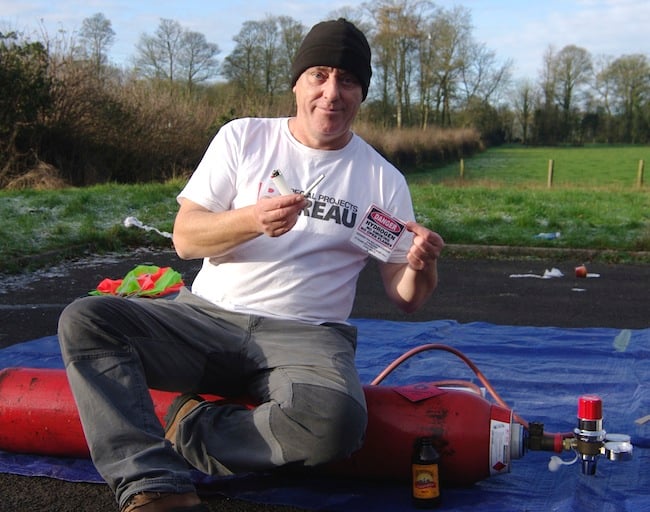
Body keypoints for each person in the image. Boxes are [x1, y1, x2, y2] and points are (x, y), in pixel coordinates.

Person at [58, 18, 444, 512]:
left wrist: (420, 264)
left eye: (347, 80)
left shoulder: (382, 180)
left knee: (338, 423)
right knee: (86, 320)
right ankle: (152, 483)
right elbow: (185, 239)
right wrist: (250, 220)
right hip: (205, 321)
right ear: (297, 83)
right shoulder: (244, 139)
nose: (332, 92)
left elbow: (405, 296)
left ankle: (193, 428)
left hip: (306, 337)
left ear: (362, 94)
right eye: (319, 75)